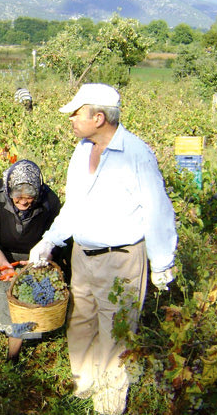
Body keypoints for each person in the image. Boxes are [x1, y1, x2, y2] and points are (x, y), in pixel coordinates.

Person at [29, 84, 177, 414]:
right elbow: (74, 205)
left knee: (116, 332)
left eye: (76, 114)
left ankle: (109, 403)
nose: (71, 119)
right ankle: (83, 386)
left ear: (99, 117)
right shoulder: (83, 151)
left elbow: (156, 208)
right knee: (80, 320)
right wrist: (51, 240)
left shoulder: (137, 154)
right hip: (84, 255)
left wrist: (162, 260)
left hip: (121, 259)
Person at [0, 160, 61, 362]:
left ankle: (12, 359)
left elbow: (54, 239)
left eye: (29, 198)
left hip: (29, 255)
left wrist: (41, 261)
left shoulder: (50, 201)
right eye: (18, 197)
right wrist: (5, 266)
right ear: (8, 190)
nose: (23, 203)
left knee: (22, 306)